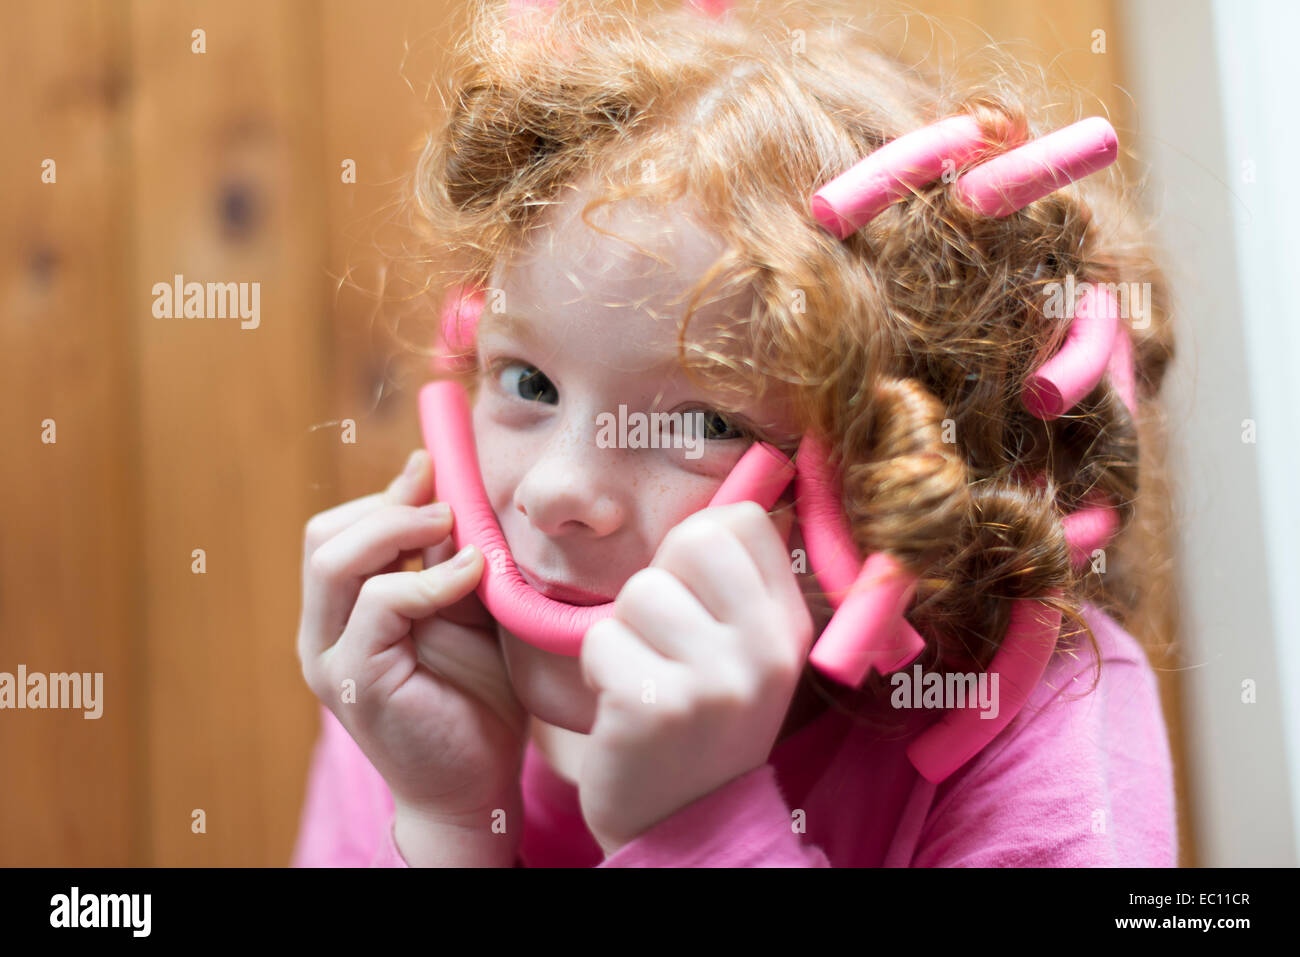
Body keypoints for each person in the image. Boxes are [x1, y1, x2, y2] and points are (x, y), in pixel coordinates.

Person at [292, 0, 1177, 867]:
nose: (556, 490)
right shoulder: (411, 695)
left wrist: (698, 832)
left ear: (913, 474)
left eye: (707, 421)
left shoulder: (1037, 721)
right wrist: (449, 826)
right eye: (529, 382)